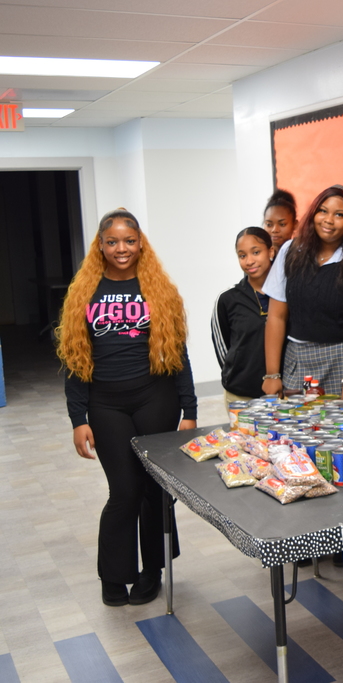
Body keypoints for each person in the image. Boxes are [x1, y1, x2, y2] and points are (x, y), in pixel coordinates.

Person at [56, 208, 196, 607]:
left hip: (156, 396)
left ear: (140, 244)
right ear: (100, 246)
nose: (122, 248)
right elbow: (74, 360)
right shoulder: (84, 292)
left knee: (154, 488)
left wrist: (189, 410)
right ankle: (114, 574)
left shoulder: (158, 290)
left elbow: (179, 356)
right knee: (124, 490)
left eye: (129, 241)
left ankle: (153, 569)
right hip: (106, 403)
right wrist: (77, 418)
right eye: (113, 241)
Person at [262, 185, 343, 398]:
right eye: (323, 211)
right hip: (296, 359)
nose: (328, 220)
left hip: (340, 360)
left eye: (339, 214)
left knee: (336, 429)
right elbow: (276, 317)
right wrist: (272, 375)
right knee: (295, 426)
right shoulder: (291, 251)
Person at [212, 227, 276, 407]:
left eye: (256, 252)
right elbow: (223, 348)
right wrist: (238, 375)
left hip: (281, 393)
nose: (249, 261)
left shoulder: (287, 295)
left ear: (270, 251)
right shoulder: (227, 299)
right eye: (242, 255)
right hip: (240, 395)